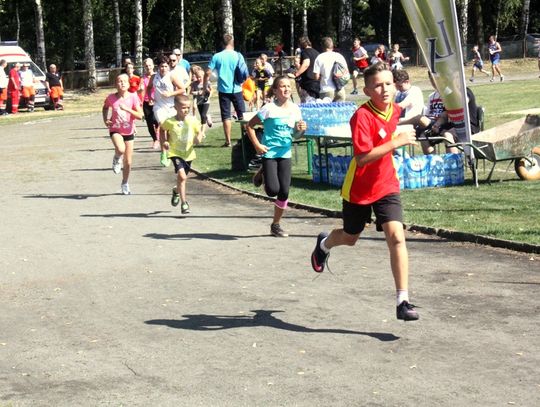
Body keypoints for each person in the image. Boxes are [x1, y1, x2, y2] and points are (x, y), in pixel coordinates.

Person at [310, 62, 419, 322]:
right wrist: (396, 142)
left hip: (386, 185)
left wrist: (428, 122)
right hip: (359, 187)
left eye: (389, 83)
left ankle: (402, 301)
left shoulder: (394, 110)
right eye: (378, 85)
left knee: (397, 238)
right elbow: (361, 158)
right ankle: (324, 244)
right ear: (368, 90)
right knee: (350, 237)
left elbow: (399, 120)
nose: (385, 89)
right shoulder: (361, 116)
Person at [245, 75, 307, 237]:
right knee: (272, 190)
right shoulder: (268, 109)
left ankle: (276, 225)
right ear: (275, 90)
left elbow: (296, 135)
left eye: (288, 86)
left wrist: (301, 129)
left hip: (285, 153)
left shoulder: (295, 109)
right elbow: (249, 126)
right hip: (269, 153)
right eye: (282, 86)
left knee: (284, 192)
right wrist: (257, 145)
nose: (286, 89)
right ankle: (264, 170)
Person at [161, 94, 204, 214]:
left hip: (188, 153)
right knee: (183, 177)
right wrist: (164, 141)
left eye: (188, 108)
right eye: (183, 107)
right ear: (175, 107)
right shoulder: (170, 121)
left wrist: (199, 138)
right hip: (175, 153)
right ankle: (184, 203)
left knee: (181, 179)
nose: (186, 110)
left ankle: (176, 191)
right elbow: (162, 129)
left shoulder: (192, 120)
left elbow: (199, 131)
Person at [102, 73, 143, 195]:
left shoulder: (133, 97)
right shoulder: (111, 98)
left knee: (129, 162)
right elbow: (105, 107)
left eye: (125, 81)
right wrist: (105, 119)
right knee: (120, 149)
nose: (123, 83)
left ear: (129, 83)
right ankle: (116, 158)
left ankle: (125, 183)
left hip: (129, 131)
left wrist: (127, 109)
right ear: (116, 84)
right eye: (120, 81)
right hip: (115, 129)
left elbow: (140, 116)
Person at [204, 33, 246, 147]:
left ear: (222, 43)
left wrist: (204, 85)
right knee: (242, 114)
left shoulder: (217, 56)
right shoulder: (238, 55)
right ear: (232, 42)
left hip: (223, 90)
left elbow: (208, 72)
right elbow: (244, 73)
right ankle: (247, 137)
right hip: (237, 88)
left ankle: (228, 141)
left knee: (226, 115)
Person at [146, 54, 188, 166]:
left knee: (170, 130)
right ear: (158, 67)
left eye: (165, 66)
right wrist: (150, 97)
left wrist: (171, 93)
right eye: (161, 66)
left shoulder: (172, 76)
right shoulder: (154, 77)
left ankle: (166, 148)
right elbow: (149, 88)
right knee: (163, 126)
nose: (163, 68)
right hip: (159, 106)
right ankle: (163, 153)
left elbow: (183, 89)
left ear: (168, 66)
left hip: (171, 106)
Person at [312, 37, 350, 102]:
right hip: (340, 89)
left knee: (327, 111)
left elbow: (316, 77)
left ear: (322, 46)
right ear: (332, 46)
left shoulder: (319, 57)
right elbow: (346, 72)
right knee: (340, 111)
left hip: (326, 90)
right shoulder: (339, 56)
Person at [139, 57, 160, 149]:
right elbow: (140, 90)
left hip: (157, 101)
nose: (148, 67)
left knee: (156, 120)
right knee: (149, 122)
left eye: (150, 65)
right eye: (146, 66)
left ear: (153, 66)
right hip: (146, 102)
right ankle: (155, 139)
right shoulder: (142, 78)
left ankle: (159, 134)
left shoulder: (157, 76)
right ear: (144, 67)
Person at [294, 36, 320, 102]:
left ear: (301, 44)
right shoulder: (317, 53)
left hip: (308, 83)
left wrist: (297, 74)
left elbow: (306, 64)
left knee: (308, 104)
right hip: (317, 82)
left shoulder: (305, 52)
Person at [189, 64, 213, 131]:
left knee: (203, 115)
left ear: (203, 76)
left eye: (200, 77)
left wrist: (209, 94)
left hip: (206, 101)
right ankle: (207, 117)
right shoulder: (194, 83)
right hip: (199, 102)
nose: (199, 78)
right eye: (197, 77)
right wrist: (197, 92)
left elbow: (211, 90)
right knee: (202, 115)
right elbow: (190, 92)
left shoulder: (207, 82)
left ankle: (202, 132)